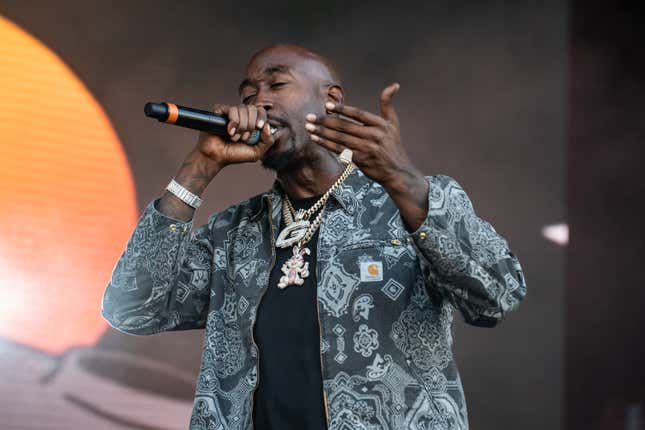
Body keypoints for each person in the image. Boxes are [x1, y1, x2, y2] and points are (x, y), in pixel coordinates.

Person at [101, 43, 527, 430]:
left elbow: (497, 296)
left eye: (277, 84)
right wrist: (199, 167)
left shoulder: (410, 204)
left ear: (331, 99)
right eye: (248, 94)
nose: (258, 101)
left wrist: (402, 178)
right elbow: (131, 310)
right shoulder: (232, 233)